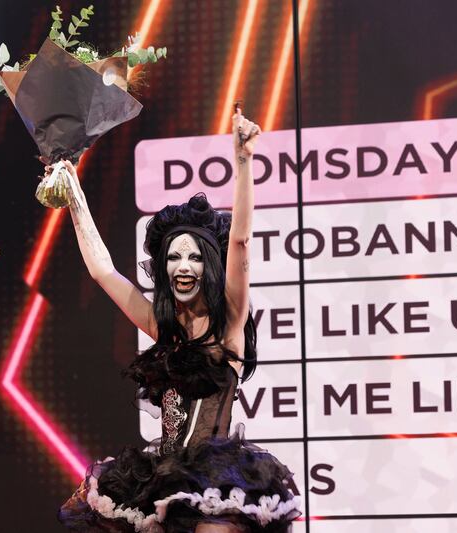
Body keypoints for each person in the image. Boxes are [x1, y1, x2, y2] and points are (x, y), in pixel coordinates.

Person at [58, 110, 301, 532]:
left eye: (193, 256)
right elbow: (103, 271)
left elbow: (240, 241)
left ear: (209, 265)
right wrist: (72, 190)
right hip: (159, 481)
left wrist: (243, 162)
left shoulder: (227, 328)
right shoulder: (163, 328)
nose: (182, 266)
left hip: (211, 489)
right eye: (173, 257)